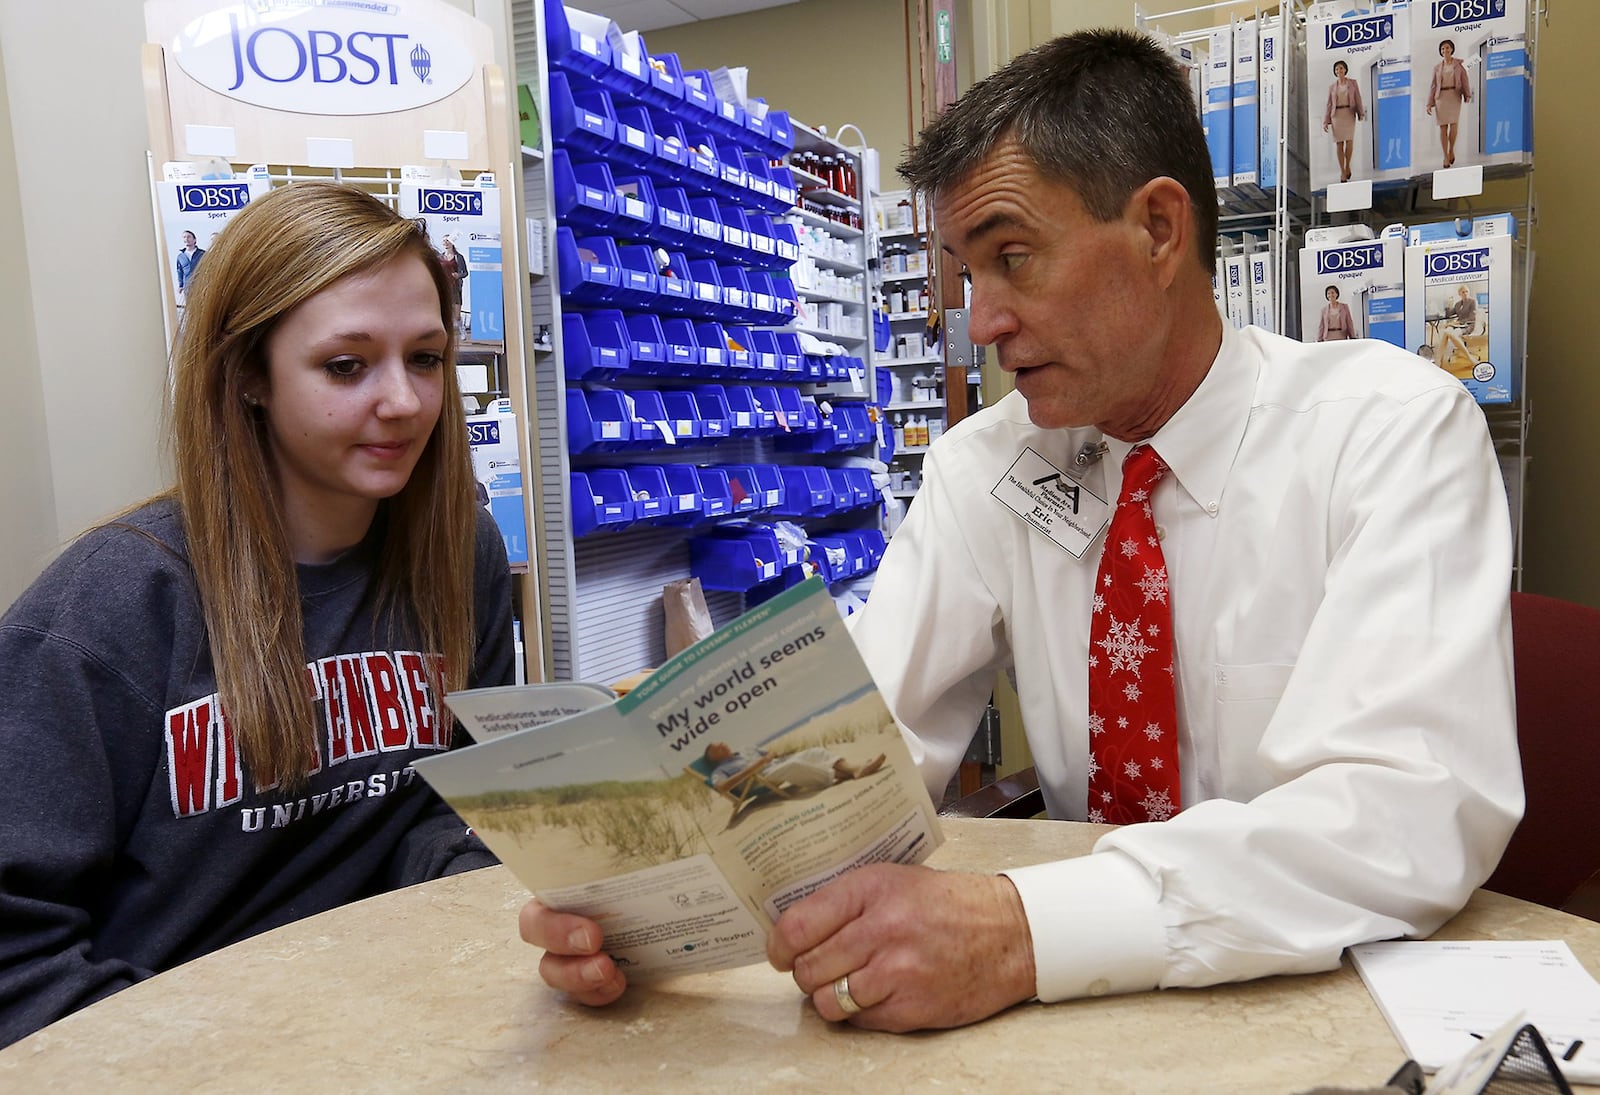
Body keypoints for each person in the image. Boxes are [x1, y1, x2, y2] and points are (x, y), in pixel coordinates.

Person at [520, 29, 1519, 1033]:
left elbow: (1406, 814)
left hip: (1324, 1002)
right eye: (964, 272)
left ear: (1159, 230)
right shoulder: (985, 464)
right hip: (1083, 1019)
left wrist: (1021, 929)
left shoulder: (1391, 432)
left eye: (1011, 258)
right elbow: (858, 744)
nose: (982, 320)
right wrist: (651, 892)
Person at [0, 181, 516, 1048]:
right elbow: (17, 958)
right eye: (346, 366)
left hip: (401, 1022)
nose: (403, 401)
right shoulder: (102, 616)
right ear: (249, 378)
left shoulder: (459, 551)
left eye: (425, 358)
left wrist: (478, 890)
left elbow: (451, 807)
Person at [704, 741, 886, 792]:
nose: (722, 744)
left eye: (721, 743)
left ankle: (854, 768)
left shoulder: (745, 750)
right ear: (714, 758)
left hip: (777, 763)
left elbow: (768, 754)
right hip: (759, 778)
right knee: (794, 766)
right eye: (717, 748)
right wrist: (755, 767)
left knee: (815, 752)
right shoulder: (719, 771)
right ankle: (843, 774)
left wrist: (770, 756)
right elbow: (722, 787)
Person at [1427, 39, 1472, 169]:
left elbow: (1465, 80)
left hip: (1454, 95)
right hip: (1441, 97)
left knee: (1453, 124)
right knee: (1442, 127)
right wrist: (1429, 103)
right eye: (1442, 49)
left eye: (1447, 48)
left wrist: (1467, 94)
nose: (1445, 50)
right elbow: (1433, 86)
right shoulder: (1437, 68)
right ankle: (1445, 156)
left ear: (1451, 49)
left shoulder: (1459, 64)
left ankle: (1451, 149)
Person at [1322, 60, 1365, 183]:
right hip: (1337, 116)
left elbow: (1358, 98)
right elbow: (1329, 104)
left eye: (1341, 68)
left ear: (1345, 70)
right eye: (1336, 69)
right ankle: (1342, 171)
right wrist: (1326, 121)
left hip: (1349, 113)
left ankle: (1347, 166)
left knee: (1349, 141)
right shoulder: (1332, 87)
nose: (1338, 71)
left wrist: (1360, 112)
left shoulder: (1352, 83)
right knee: (1339, 144)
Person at [1436, 283, 1480, 367]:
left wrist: (1456, 323)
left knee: (1450, 333)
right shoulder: (1458, 304)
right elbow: (1449, 314)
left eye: (1467, 291)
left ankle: (1469, 358)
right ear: (1459, 294)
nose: (1465, 293)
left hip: (1468, 325)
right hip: (1457, 325)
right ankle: (1438, 360)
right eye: (1463, 292)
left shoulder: (1473, 302)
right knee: (1446, 332)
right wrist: (1449, 304)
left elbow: (1471, 318)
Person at [174, 229, 204, 301]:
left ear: (194, 240)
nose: (186, 239)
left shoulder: (202, 253)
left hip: (201, 284)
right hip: (187, 286)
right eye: (184, 237)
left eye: (188, 237)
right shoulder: (181, 256)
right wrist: (180, 285)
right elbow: (179, 271)